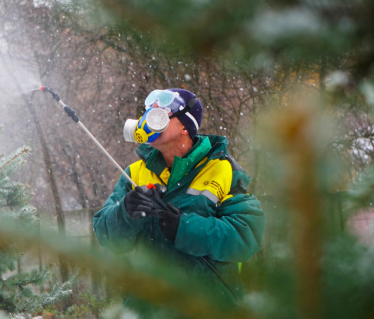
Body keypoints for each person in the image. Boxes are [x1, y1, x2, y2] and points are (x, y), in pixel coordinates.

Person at [92, 88, 265, 313]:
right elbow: (105, 235)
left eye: (160, 114)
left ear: (185, 126)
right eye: (148, 113)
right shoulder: (134, 173)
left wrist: (184, 228)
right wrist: (125, 211)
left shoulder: (223, 169)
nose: (148, 120)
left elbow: (246, 236)